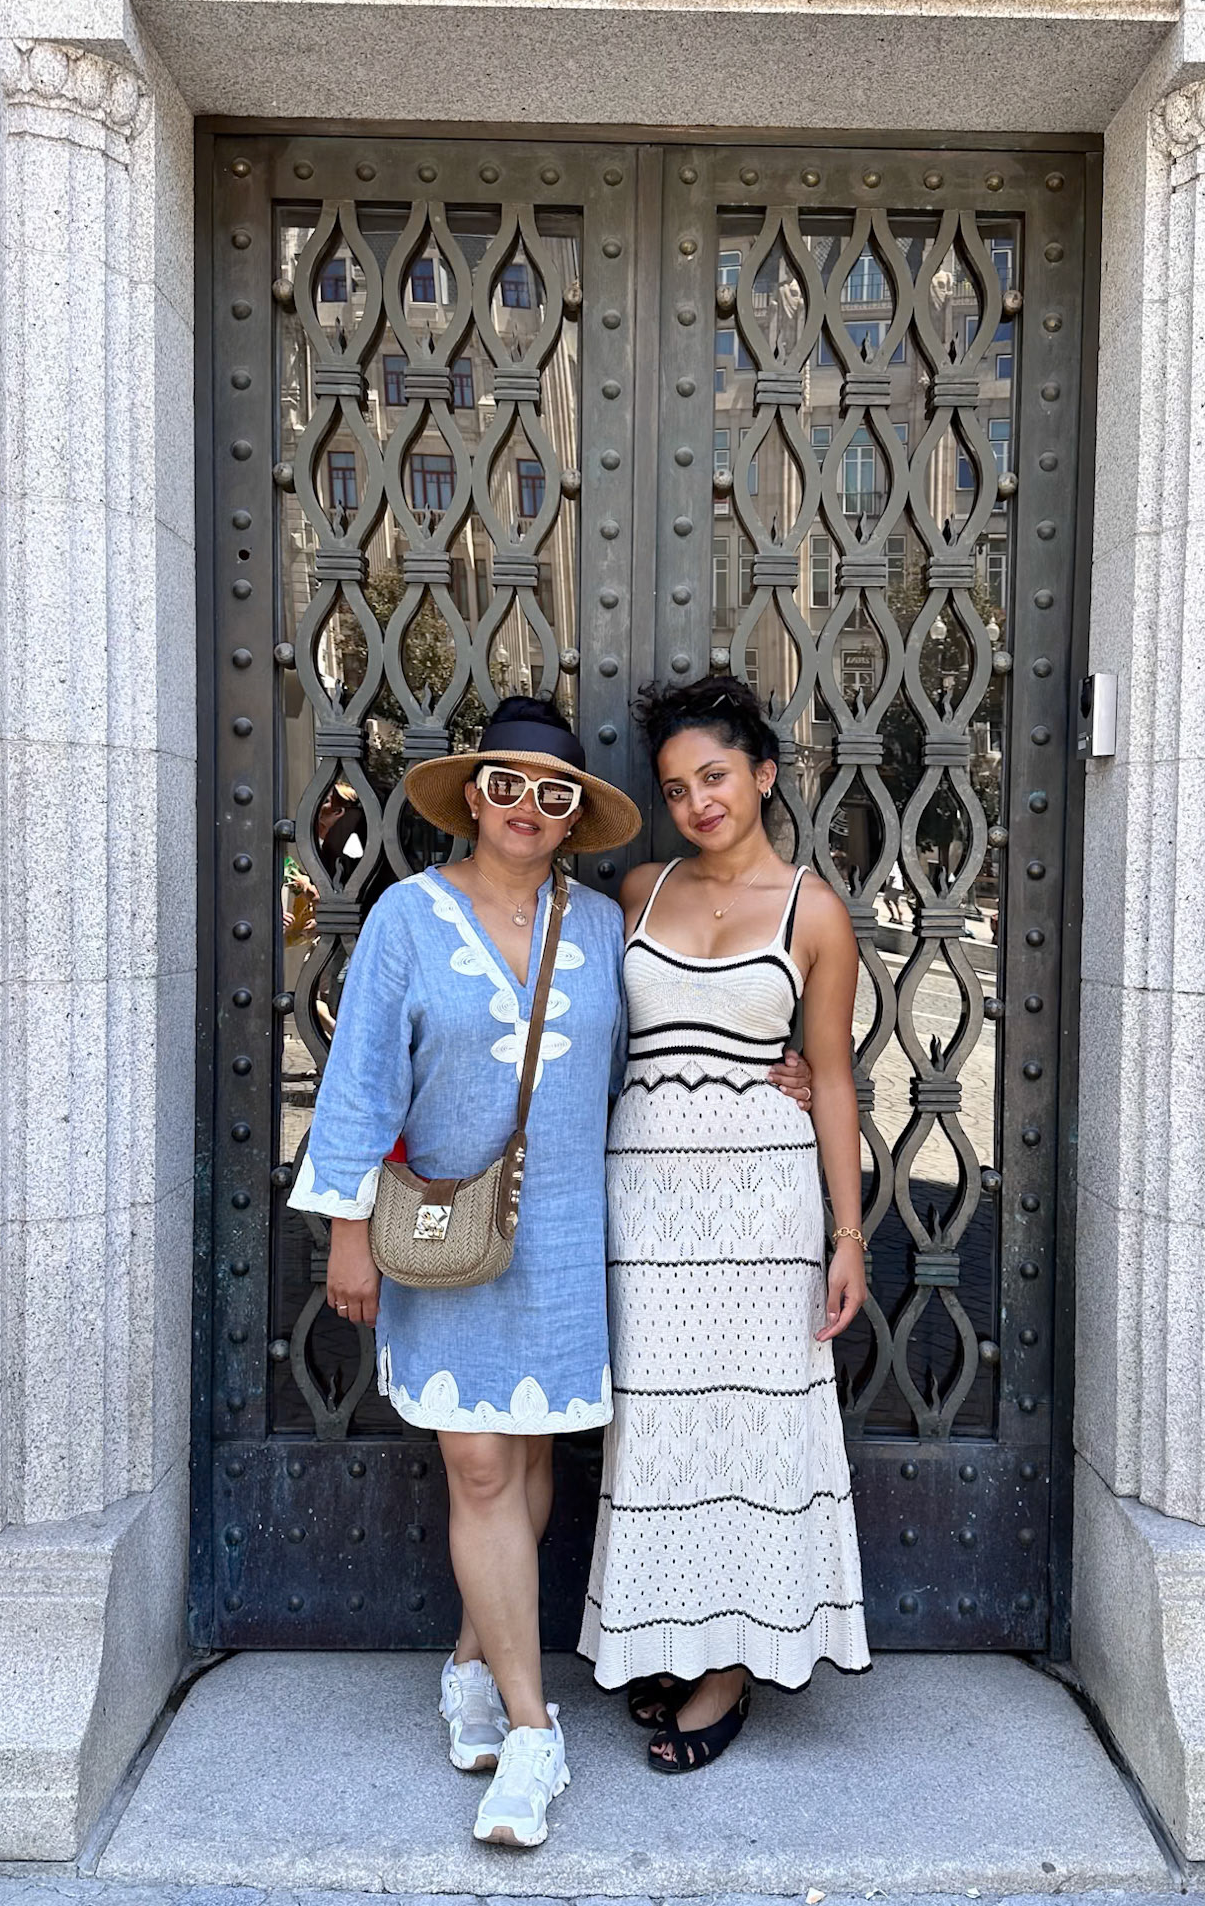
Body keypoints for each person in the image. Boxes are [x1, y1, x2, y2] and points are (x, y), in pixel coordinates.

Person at [289, 695, 813, 1847]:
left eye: (554, 791)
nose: (527, 806)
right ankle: (534, 1731)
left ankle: (471, 1662)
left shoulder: (602, 924)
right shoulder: (409, 918)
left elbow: (669, 1032)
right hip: (447, 1235)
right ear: (472, 797)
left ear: (576, 814)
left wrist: (785, 1070)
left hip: (569, 1236)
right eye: (507, 785)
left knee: (525, 1465)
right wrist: (346, 1229)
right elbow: (361, 1075)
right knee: (480, 1461)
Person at [579, 676, 872, 1771]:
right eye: (675, 787)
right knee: (658, 1426)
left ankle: (731, 1666)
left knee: (751, 1426)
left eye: (714, 776)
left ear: (763, 775)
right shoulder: (638, 889)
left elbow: (830, 1078)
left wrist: (848, 1235)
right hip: (646, 1205)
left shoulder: (814, 911)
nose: (697, 801)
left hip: (763, 1206)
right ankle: (671, 1635)